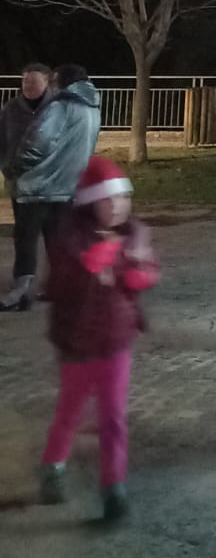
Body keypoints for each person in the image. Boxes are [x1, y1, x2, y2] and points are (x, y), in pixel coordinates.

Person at [39, 155, 159, 522]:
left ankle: (112, 489)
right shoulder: (69, 237)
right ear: (92, 201)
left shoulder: (132, 233)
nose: (119, 206)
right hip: (77, 343)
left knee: (113, 417)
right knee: (70, 413)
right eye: (110, 199)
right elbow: (56, 286)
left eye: (123, 198)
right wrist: (87, 267)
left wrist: (141, 271)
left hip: (115, 340)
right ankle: (53, 468)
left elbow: (145, 268)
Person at [2, 64, 101, 312]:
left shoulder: (60, 107)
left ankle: (22, 291)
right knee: (59, 240)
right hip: (66, 185)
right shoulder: (91, 108)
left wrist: (14, 168)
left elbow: (38, 144)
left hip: (37, 186)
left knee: (26, 238)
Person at [1, 63, 52, 275]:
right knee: (24, 234)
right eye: (25, 80)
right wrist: (6, 167)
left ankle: (59, 281)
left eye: (34, 81)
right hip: (20, 183)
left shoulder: (57, 108)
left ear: (47, 82)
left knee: (54, 234)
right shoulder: (11, 109)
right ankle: (23, 281)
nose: (28, 85)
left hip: (52, 183)